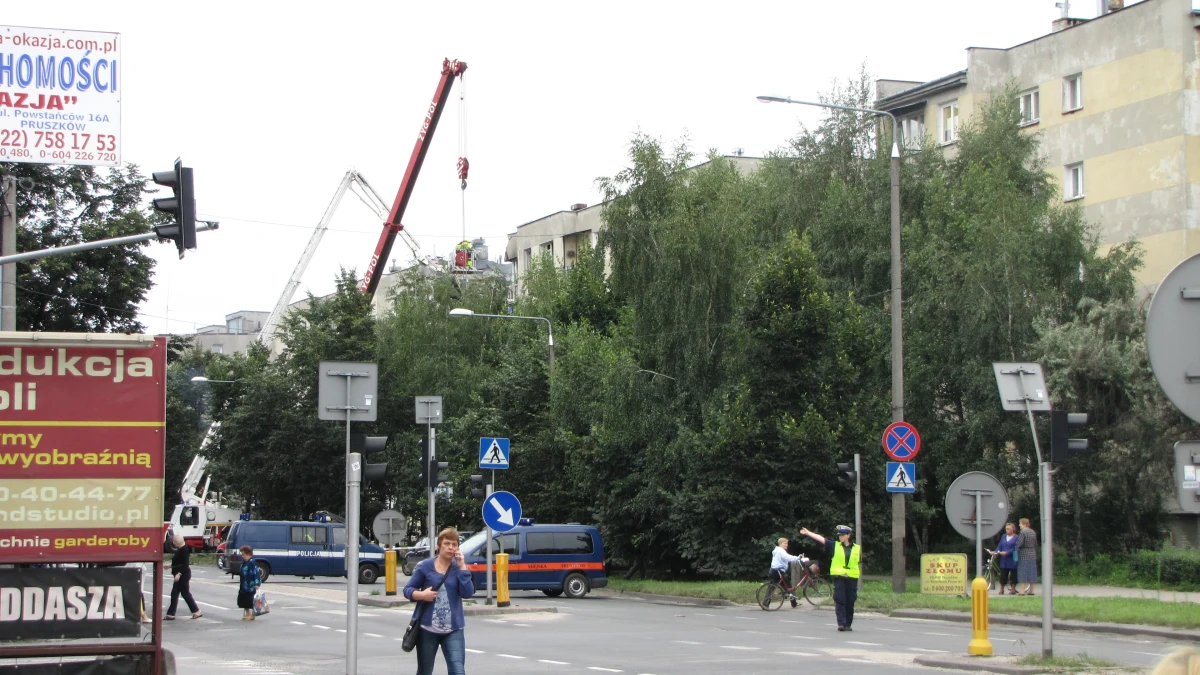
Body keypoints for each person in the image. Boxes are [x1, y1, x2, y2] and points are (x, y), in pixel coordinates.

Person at [403, 527, 475, 675]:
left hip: (453, 630)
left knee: (458, 671)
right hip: (427, 630)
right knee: (424, 671)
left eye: (454, 544)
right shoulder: (425, 567)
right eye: (447, 543)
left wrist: (462, 566)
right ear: (439, 545)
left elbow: (467, 593)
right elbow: (408, 590)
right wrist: (422, 595)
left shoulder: (458, 568)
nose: (450, 547)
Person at [799, 524, 859, 631]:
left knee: (850, 601)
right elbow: (822, 539)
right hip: (839, 577)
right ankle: (841, 623)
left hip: (852, 578)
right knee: (840, 599)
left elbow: (858, 562)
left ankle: (848, 624)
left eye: (842, 535)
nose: (840, 537)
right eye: (839, 535)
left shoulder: (857, 548)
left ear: (848, 535)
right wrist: (808, 533)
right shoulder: (835, 545)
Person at [165, 535, 202, 619]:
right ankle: (171, 614)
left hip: (183, 575)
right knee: (174, 593)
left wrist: (179, 573)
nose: (173, 543)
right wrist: (170, 566)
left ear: (176, 542)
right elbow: (179, 562)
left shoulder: (184, 550)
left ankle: (197, 611)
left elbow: (185, 564)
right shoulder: (180, 549)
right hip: (180, 574)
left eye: (174, 542)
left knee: (185, 593)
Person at [769, 537, 805, 608]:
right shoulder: (780, 550)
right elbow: (787, 557)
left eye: (787, 543)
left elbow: (785, 559)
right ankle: (794, 603)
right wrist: (797, 558)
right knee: (789, 586)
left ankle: (765, 603)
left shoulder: (777, 550)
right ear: (780, 543)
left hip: (773, 570)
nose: (786, 545)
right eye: (785, 543)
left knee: (771, 586)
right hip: (779, 571)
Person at [987, 522, 1019, 595]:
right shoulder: (1003, 536)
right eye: (1006, 529)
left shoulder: (1016, 537)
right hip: (1004, 559)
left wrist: (1007, 552)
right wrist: (995, 551)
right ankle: (1001, 589)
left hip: (1012, 558)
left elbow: (1015, 548)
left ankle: (1013, 589)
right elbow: (1000, 546)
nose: (1007, 530)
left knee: (1013, 574)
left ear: (1013, 529)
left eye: (1008, 529)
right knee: (1003, 574)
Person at [237, 545, 262, 621]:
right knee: (244, 599)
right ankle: (248, 613)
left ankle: (252, 615)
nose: (242, 556)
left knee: (251, 600)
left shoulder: (252, 563)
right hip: (244, 584)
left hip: (250, 585)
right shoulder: (244, 563)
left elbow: (256, 573)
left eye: (243, 554)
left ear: (248, 554)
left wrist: (257, 584)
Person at [1016, 518, 1039, 596]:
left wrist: (1016, 548)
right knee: (1032, 572)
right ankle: (1032, 591)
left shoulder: (1023, 532)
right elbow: (1035, 543)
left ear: (1024, 524)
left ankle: (1022, 591)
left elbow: (1019, 543)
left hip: (1024, 554)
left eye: (1020, 523)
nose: (1019, 525)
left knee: (1023, 572)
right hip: (1032, 553)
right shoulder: (1032, 532)